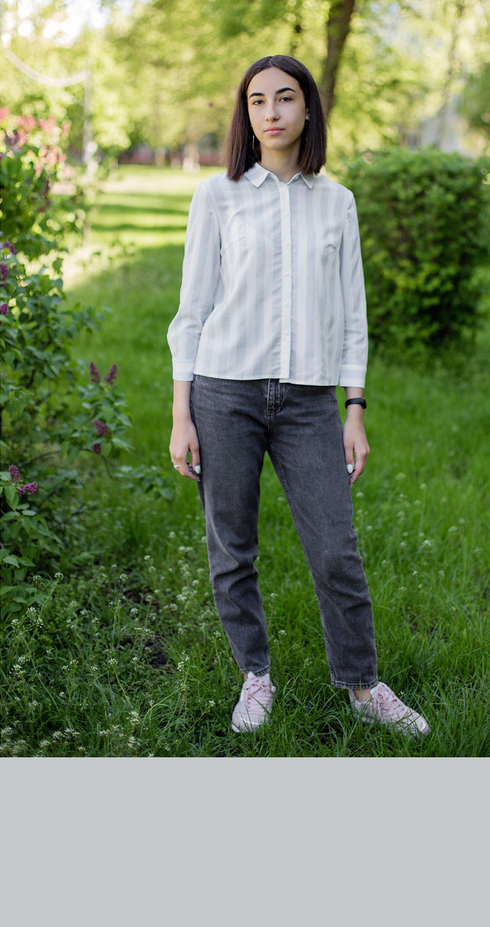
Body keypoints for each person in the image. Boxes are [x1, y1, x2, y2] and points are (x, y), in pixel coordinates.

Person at [166, 54, 428, 737]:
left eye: (286, 99)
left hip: (310, 401)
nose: (272, 112)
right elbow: (191, 311)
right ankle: (255, 675)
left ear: (308, 109)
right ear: (245, 115)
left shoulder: (337, 202)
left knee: (336, 547)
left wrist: (356, 410)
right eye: (258, 101)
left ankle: (363, 685)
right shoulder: (216, 198)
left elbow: (352, 316)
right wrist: (180, 414)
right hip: (224, 393)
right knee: (232, 544)